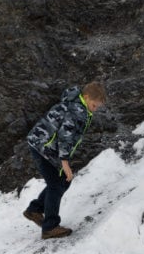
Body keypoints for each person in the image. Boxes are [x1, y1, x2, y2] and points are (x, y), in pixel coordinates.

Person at [24, 81, 107, 239]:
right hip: (42, 147)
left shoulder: (78, 106)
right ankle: (50, 227)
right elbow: (65, 137)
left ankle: (35, 209)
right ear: (86, 97)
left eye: (97, 107)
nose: (95, 110)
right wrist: (65, 162)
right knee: (56, 184)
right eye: (94, 105)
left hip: (45, 147)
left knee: (63, 181)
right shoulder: (77, 111)